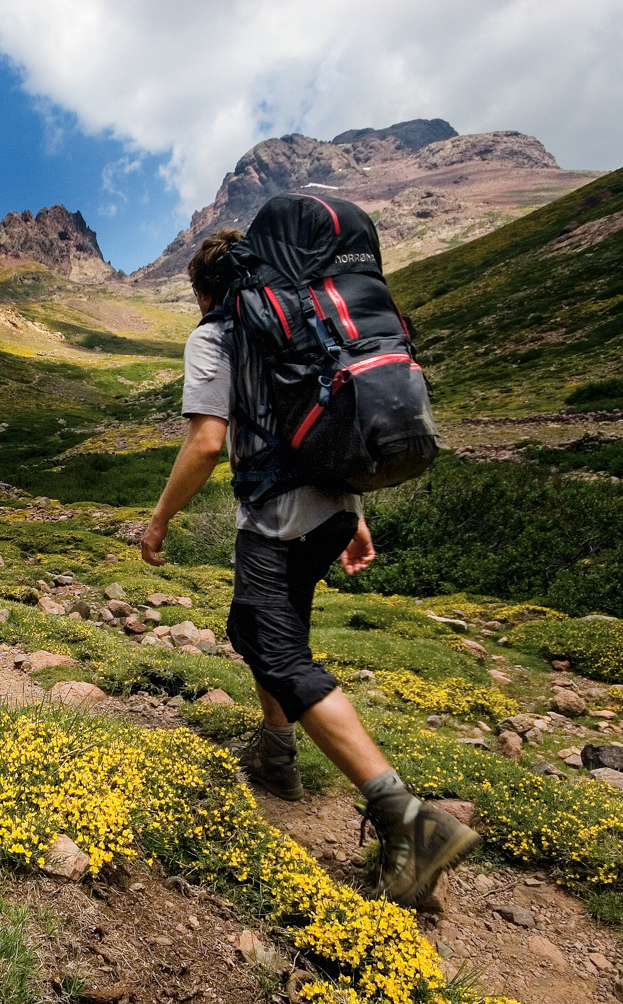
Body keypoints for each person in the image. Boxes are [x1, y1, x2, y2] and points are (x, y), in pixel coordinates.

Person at [139, 228, 479, 906]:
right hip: (331, 508)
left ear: (204, 289)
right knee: (251, 624)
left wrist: (159, 520)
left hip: (278, 515)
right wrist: (352, 515)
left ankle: (407, 820)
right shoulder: (298, 322)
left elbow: (207, 442)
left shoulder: (217, 333)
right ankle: (276, 753)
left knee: (278, 648)